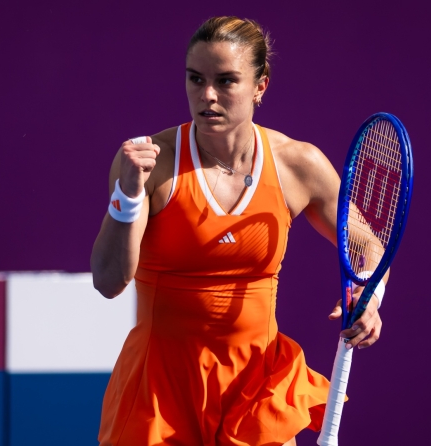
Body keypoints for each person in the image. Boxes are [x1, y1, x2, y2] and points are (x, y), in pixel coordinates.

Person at [91, 16, 384, 446]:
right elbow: (108, 281)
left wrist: (370, 294)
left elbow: (369, 243)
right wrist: (128, 196)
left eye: (226, 81)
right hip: (160, 391)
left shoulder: (297, 164)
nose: (207, 95)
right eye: (196, 79)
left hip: (258, 387)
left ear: (260, 86)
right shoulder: (151, 163)